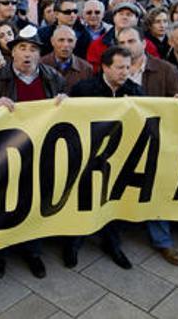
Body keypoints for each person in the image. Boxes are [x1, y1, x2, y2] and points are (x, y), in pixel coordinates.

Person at [0, 24, 67, 278]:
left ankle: (32, 252)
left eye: (33, 49)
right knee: (2, 204)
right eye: (22, 48)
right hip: (4, 155)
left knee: (33, 203)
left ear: (40, 54)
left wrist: (67, 105)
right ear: (12, 52)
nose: (27, 54)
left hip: (39, 156)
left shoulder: (54, 78)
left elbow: (68, 113)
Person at [67, 46, 140, 269]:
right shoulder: (84, 89)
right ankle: (73, 243)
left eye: (128, 67)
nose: (124, 72)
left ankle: (112, 243)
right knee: (83, 199)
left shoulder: (136, 91)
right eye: (119, 67)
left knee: (113, 200)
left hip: (118, 158)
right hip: (88, 156)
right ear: (105, 68)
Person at [41, 25, 94, 90]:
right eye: (61, 40)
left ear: (75, 43)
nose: (66, 45)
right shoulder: (40, 65)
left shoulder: (86, 69)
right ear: (52, 41)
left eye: (70, 41)